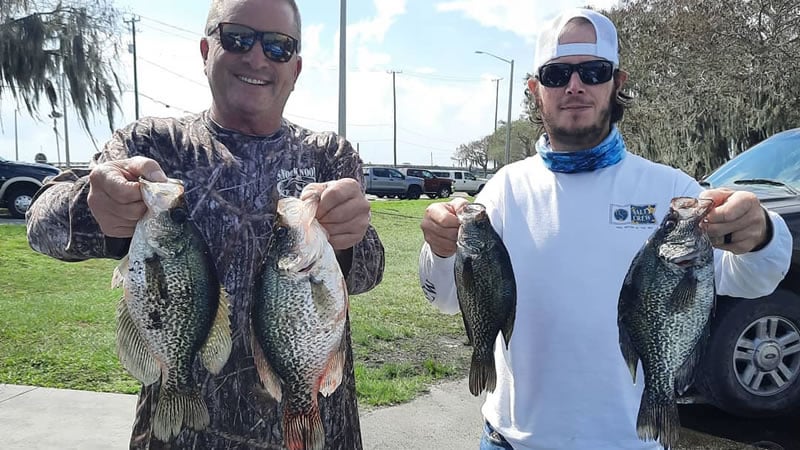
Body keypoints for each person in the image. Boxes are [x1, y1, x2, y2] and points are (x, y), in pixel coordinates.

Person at [418, 8, 792, 450]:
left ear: (617, 82)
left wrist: (763, 233)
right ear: (536, 90)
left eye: (592, 71)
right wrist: (439, 249)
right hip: (511, 440)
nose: (574, 86)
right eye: (557, 75)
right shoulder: (504, 188)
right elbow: (443, 297)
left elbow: (754, 278)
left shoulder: (671, 190)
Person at [26, 0, 384, 448]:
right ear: (205, 49)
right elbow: (40, 224)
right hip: (177, 434)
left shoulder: (329, 156)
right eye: (237, 37)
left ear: (295, 68)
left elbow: (369, 272)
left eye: (278, 46)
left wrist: (352, 240)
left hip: (313, 429)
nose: (256, 56)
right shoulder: (152, 146)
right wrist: (90, 205)